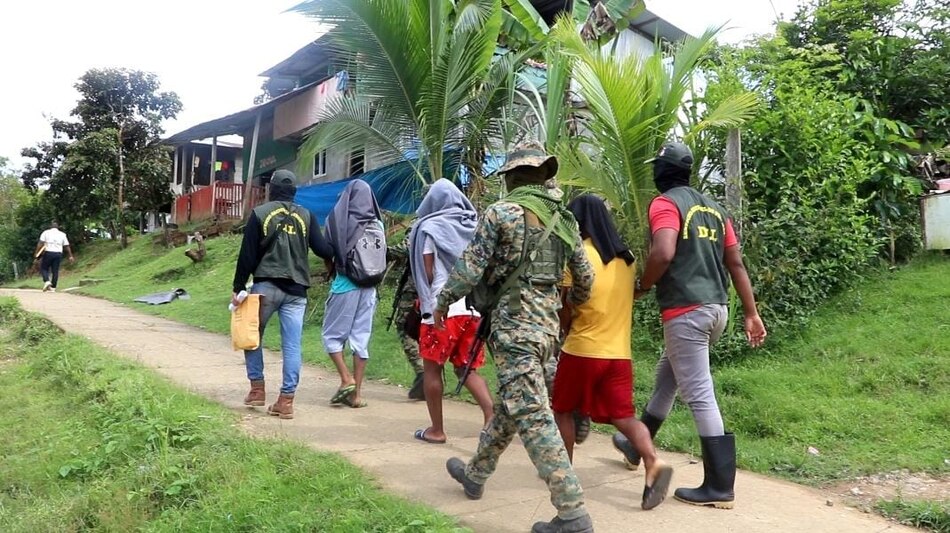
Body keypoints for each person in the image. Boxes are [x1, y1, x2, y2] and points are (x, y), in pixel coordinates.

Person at [438, 142, 596, 533]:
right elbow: (585, 281)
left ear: (511, 177)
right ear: (544, 177)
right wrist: (567, 306)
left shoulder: (501, 212)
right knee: (515, 405)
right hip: (547, 333)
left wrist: (443, 300)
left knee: (534, 415)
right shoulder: (564, 221)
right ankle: (476, 474)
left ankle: (572, 512)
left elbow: (470, 267)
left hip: (514, 329)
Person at [613, 141, 767, 509]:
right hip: (716, 309)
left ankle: (719, 485)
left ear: (662, 173)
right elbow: (736, 264)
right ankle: (637, 445)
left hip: (686, 311)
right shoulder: (715, 209)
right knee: (669, 376)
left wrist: (644, 286)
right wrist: (751, 312)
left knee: (698, 392)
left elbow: (663, 251)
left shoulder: (666, 204)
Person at [552, 194, 673, 511]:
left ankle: (564, 473)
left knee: (563, 409)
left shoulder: (578, 257)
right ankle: (652, 461)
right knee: (625, 417)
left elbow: (566, 306)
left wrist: (564, 328)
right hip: (619, 354)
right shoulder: (628, 259)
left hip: (582, 349)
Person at [231, 169, 334, 420]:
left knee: (252, 336)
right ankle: (286, 401)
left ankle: (257, 390)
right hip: (297, 292)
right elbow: (322, 249)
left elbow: (247, 255)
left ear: (271, 189)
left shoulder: (260, 214)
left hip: (265, 287)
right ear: (294, 191)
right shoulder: (306, 216)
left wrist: (238, 287)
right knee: (292, 346)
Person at [410, 179, 493, 444]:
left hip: (440, 310)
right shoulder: (473, 225)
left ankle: (437, 430)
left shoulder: (428, 228)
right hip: (472, 311)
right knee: (466, 369)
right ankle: (490, 418)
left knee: (433, 370)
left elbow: (428, 271)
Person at [323, 179, 383, 409]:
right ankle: (356, 395)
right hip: (370, 287)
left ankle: (346, 379)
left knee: (332, 336)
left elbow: (326, 250)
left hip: (345, 285)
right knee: (361, 338)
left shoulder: (337, 220)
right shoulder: (378, 223)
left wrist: (332, 270)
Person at [388, 232, 426, 400]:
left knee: (406, 326)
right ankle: (432, 375)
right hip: (443, 283)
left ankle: (423, 372)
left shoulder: (422, 222)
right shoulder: (454, 220)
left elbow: (406, 248)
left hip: (417, 283)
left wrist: (380, 251)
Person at [34, 221, 74, 292]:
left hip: (48, 252)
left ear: (50, 227)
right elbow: (66, 246)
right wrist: (70, 256)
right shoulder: (62, 234)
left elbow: (40, 243)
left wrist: (37, 253)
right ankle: (53, 287)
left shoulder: (46, 232)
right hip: (58, 254)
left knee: (44, 268)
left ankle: (47, 281)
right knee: (55, 270)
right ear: (58, 228)